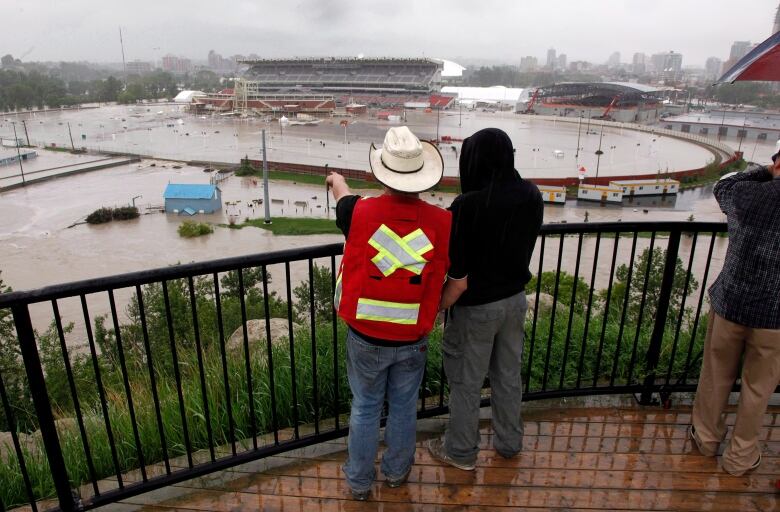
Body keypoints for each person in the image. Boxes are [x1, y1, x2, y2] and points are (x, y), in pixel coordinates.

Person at [327, 126, 451, 500]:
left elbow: (343, 198)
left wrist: (337, 181)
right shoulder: (443, 223)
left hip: (365, 334)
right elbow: (448, 278)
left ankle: (360, 483)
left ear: (383, 170)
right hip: (413, 336)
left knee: (364, 408)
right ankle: (397, 474)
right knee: (402, 408)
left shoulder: (358, 212)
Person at [427, 128, 543, 470]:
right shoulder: (531, 195)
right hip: (515, 302)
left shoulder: (468, 205)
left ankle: (460, 452)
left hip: (476, 309)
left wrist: (436, 307)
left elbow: (457, 274)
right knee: (508, 376)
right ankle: (509, 443)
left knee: (466, 382)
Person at [689, 151, 780, 476]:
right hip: (775, 318)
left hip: (731, 303)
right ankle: (741, 458)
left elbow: (723, 183)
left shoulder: (745, 195)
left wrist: (765, 171)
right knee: (758, 389)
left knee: (716, 375)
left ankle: (707, 438)